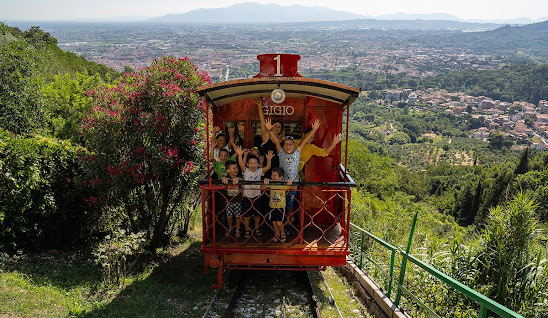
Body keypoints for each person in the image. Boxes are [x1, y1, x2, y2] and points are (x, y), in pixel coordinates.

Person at [265, 118, 320, 234]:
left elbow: (304, 141)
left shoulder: (297, 153)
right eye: (286, 144)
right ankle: (279, 228)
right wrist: (270, 129)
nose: (288, 146)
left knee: (289, 207)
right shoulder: (281, 152)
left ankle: (287, 226)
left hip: (292, 185)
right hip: (281, 185)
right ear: (283, 146)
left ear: (293, 145)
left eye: (290, 144)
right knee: (279, 205)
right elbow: (275, 140)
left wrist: (313, 130)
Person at [234, 145, 274, 238]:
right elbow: (240, 164)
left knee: (257, 214)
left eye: (255, 163)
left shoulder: (259, 171)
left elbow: (267, 167)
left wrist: (268, 159)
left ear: (258, 164)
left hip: (257, 196)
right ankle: (247, 230)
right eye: (251, 163)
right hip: (247, 197)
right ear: (247, 164)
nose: (253, 165)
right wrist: (240, 155)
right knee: (247, 215)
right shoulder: (246, 171)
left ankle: (256, 228)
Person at [256, 98, 284, 178]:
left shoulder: (282, 141)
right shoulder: (266, 137)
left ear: (281, 129)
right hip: (266, 168)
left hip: (278, 170)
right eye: (275, 126)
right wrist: (260, 106)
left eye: (279, 127)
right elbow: (262, 121)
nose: (276, 128)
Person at [264, 167, 293, 243]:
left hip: (280, 206)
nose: (272, 177)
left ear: (281, 177)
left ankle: (283, 233)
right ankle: (277, 234)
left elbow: (294, 187)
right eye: (272, 175)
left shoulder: (283, 184)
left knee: (279, 222)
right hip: (272, 206)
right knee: (274, 222)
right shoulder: (271, 183)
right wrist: (265, 181)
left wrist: (290, 182)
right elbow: (262, 187)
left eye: (275, 175)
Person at [221, 161, 242, 238]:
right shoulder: (227, 177)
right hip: (229, 201)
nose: (236, 169)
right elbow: (223, 179)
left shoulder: (239, 177)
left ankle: (237, 230)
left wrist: (238, 179)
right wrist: (224, 179)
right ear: (228, 170)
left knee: (238, 216)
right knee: (229, 217)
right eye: (234, 168)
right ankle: (230, 228)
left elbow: (241, 179)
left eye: (236, 168)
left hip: (238, 201)